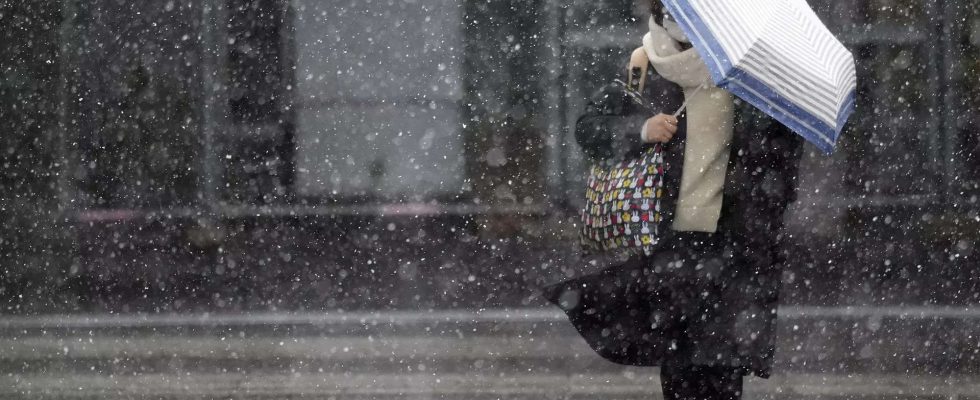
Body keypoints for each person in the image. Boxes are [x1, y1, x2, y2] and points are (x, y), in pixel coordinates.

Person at [541, 1, 805, 399]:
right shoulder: (646, 62)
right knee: (681, 371)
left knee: (722, 370)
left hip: (734, 243)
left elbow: (782, 152)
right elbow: (590, 130)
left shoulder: (748, 71)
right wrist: (641, 129)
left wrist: (761, 193)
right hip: (669, 245)